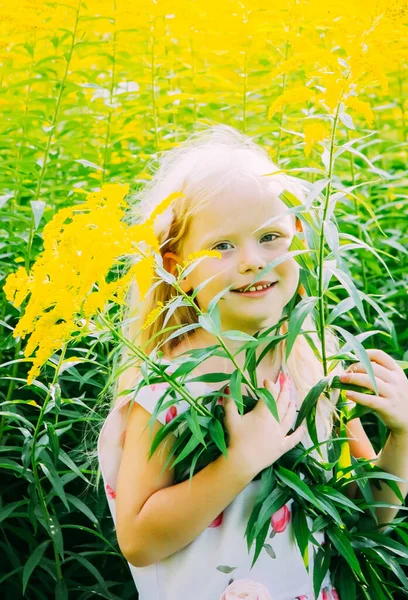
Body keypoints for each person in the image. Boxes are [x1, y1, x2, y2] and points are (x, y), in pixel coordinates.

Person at [97, 124, 379, 599]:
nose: (251, 260)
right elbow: (139, 540)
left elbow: (364, 520)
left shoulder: (312, 366)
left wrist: (407, 436)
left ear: (299, 238)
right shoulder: (169, 389)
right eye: (222, 246)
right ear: (175, 268)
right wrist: (242, 460)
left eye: (270, 236)